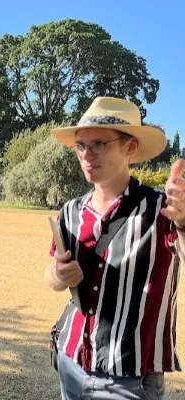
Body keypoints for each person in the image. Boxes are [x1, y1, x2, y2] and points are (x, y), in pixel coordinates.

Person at [45, 97, 184, 399]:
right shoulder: (70, 213)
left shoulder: (164, 211)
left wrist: (183, 221)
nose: (87, 155)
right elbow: (52, 277)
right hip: (71, 363)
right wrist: (58, 273)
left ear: (130, 147)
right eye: (81, 146)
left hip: (130, 381)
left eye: (99, 144)